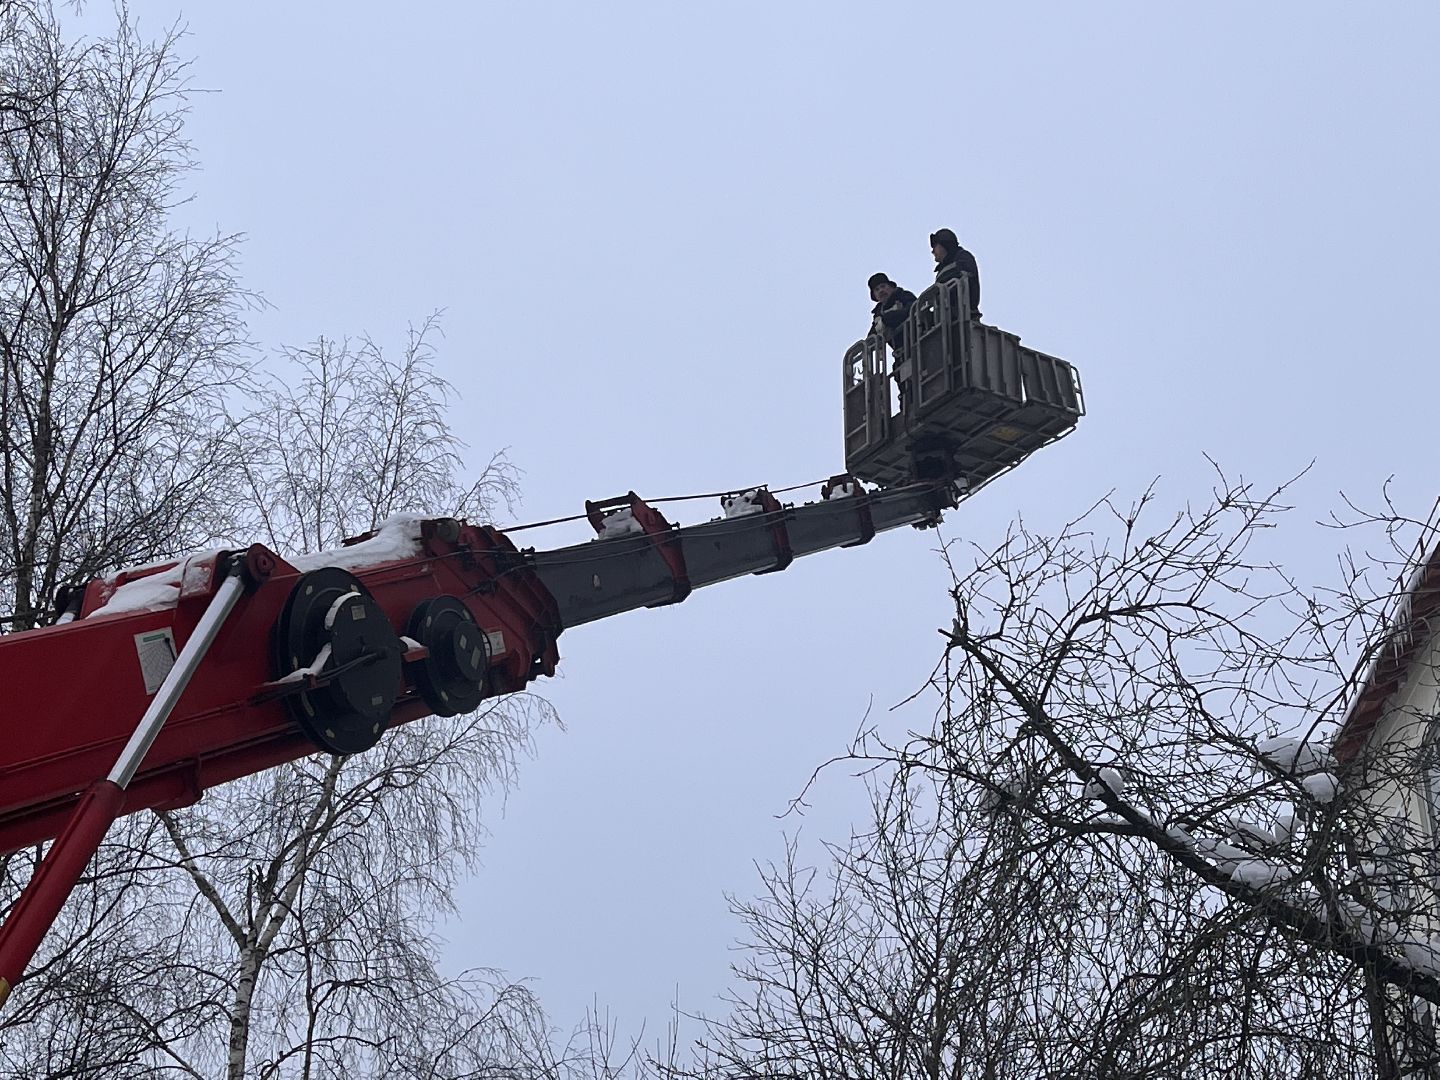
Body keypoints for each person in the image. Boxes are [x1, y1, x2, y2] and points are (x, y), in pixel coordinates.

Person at [929, 228, 981, 320]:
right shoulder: (940, 271)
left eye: (935, 246)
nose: (933, 251)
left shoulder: (963, 257)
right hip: (944, 318)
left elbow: (967, 282)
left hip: (963, 315)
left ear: (944, 245)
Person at [867, 272, 916, 357]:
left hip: (919, 340)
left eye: (883, 286)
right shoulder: (878, 314)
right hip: (901, 353)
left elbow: (912, 309)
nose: (881, 291)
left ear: (891, 287)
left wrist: (887, 319)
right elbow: (872, 336)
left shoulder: (904, 296)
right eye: (877, 289)